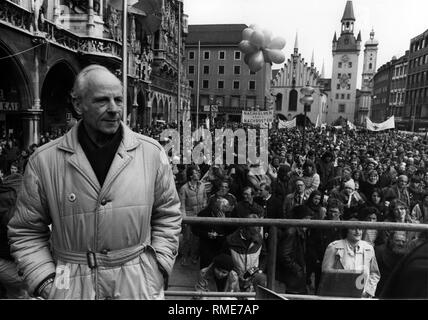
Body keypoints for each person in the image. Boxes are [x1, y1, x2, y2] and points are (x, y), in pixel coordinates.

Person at [7, 65, 182, 300]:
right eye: (102, 100)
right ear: (78, 105)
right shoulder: (44, 160)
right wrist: (48, 283)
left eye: (118, 100)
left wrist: (157, 268)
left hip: (138, 287)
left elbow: (168, 215)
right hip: (70, 287)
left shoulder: (151, 153)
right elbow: (26, 231)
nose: (113, 109)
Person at [321, 217, 381, 298]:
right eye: (353, 229)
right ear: (346, 230)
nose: (357, 232)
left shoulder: (369, 248)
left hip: (362, 295)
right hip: (339, 294)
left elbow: (374, 273)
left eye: (360, 229)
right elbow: (326, 272)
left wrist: (368, 291)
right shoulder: (334, 247)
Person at [179, 165, 208, 266]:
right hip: (189, 216)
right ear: (191, 176)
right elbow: (181, 205)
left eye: (199, 172)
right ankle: (184, 256)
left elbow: (205, 198)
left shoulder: (202, 185)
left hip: (200, 216)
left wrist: (204, 207)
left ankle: (194, 256)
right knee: (187, 239)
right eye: (196, 172)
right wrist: (185, 220)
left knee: (197, 239)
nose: (199, 174)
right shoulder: (184, 188)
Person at [374, 231, 408, 296]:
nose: (401, 243)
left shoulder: (406, 254)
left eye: (403, 241)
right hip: (380, 291)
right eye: (397, 241)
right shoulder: (379, 251)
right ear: (391, 240)